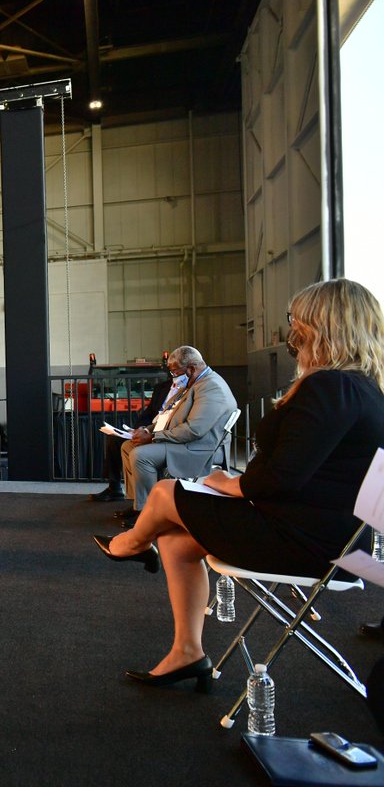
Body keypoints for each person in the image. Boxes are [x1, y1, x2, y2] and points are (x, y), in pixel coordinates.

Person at [94, 279, 384, 690]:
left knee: (165, 492)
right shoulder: (362, 388)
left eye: (297, 321)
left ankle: (132, 544)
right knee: (177, 541)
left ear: (323, 326)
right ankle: (187, 652)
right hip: (322, 532)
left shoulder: (330, 387)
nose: (292, 331)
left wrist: (229, 483)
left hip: (306, 541)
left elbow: (281, 476)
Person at [115, 345, 236, 523]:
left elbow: (194, 430)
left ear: (191, 368)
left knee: (140, 455)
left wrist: (154, 437)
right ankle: (139, 504)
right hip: (181, 441)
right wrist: (147, 429)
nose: (173, 378)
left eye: (175, 373)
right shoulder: (194, 382)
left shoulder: (212, 388)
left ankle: (151, 512)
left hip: (199, 447)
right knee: (129, 446)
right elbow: (168, 413)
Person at [91, 359, 183, 504]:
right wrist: (139, 428)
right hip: (149, 427)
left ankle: (145, 501)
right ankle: (114, 487)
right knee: (114, 440)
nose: (174, 374)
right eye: (171, 370)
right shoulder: (161, 388)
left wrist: (150, 432)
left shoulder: (188, 390)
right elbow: (148, 413)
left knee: (134, 449)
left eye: (176, 370)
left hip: (164, 433)